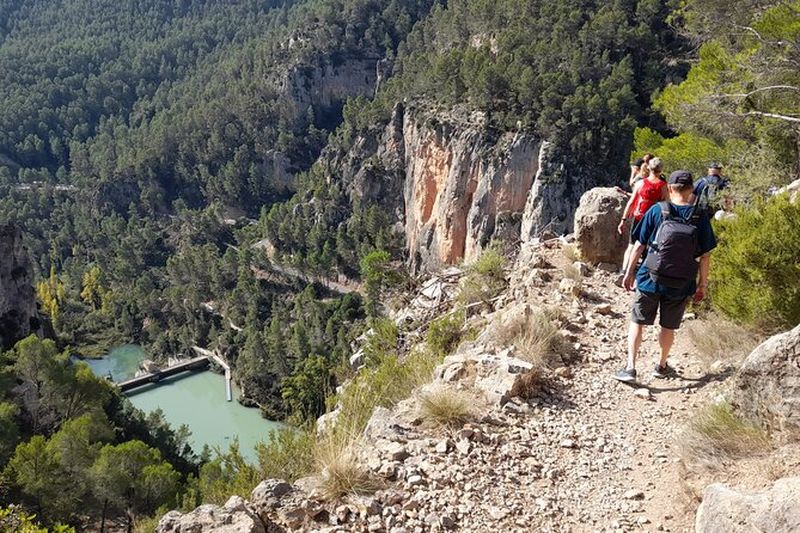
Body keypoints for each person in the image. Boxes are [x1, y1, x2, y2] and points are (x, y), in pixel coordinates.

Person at [614, 170, 717, 382]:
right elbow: (705, 256)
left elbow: (639, 245)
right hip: (682, 282)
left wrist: (629, 272)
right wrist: (702, 285)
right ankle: (661, 365)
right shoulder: (700, 217)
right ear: (691, 190)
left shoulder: (656, 210)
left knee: (637, 321)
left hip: (650, 278)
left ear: (669, 188)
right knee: (668, 326)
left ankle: (631, 367)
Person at [617, 157, 668, 280]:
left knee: (632, 245)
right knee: (650, 248)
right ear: (661, 170)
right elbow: (665, 204)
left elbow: (631, 202)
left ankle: (624, 271)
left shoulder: (641, 183)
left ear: (648, 168)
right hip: (654, 220)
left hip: (639, 218)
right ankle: (643, 276)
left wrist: (623, 220)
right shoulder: (663, 186)